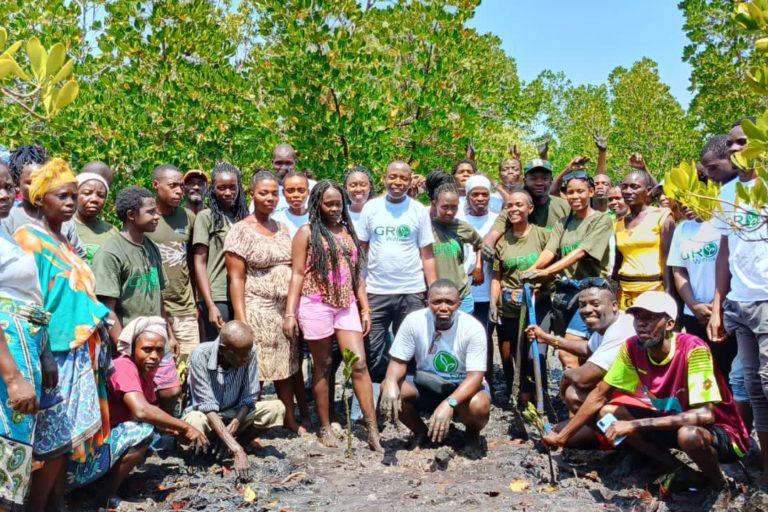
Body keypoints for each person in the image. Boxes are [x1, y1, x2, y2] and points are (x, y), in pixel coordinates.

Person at [544, 292, 748, 498]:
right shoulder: (632, 347)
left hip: (721, 433)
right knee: (608, 412)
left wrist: (634, 425)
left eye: (650, 318)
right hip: (671, 421)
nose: (641, 324)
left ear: (669, 324)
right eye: (638, 318)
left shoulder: (693, 350)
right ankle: (683, 472)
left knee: (688, 435)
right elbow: (598, 395)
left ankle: (719, 485)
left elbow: (705, 415)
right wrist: (562, 437)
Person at [14, 158, 113, 511]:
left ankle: (57, 502)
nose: (71, 202)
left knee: (66, 439)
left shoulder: (63, 238)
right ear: (40, 199)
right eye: (63, 196)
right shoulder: (28, 240)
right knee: (52, 440)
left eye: (74, 196)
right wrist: (43, 354)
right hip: (54, 352)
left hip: (78, 349)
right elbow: (30, 301)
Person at [67, 317, 209, 509]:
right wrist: (185, 426)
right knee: (142, 432)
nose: (154, 356)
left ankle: (103, 485)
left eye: (159, 350)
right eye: (147, 349)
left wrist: (169, 429)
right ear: (132, 347)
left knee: (148, 431)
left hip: (102, 444)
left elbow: (150, 411)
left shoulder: (145, 372)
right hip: (82, 457)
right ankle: (105, 495)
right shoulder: (124, 366)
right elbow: (141, 410)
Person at [283, 181, 382, 449]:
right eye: (329, 203)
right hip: (315, 304)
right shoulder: (306, 232)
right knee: (324, 366)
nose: (336, 208)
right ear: (317, 204)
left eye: (339, 203)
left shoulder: (348, 231)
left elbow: (356, 274)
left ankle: (371, 426)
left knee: (358, 363)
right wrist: (290, 312)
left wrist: (365, 307)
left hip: (346, 303)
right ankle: (325, 427)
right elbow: (297, 273)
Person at [708, 117, 768, 485]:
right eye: (731, 144)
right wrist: (717, 305)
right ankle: (764, 470)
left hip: (766, 299)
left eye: (742, 142)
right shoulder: (727, 194)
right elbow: (723, 253)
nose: (734, 149)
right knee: (755, 389)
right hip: (739, 302)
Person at [225, 170, 306, 434]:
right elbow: (236, 278)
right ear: (252, 194)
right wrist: (242, 318)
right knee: (254, 372)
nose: (270, 198)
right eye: (264, 193)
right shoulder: (240, 230)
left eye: (274, 193)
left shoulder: (282, 228)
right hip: (256, 307)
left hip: (283, 310)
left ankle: (289, 418)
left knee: (287, 366)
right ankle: (249, 425)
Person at [92, 187, 182, 415]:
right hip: (128, 342)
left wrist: (169, 334)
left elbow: (158, 295)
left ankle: (165, 435)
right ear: (132, 215)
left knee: (171, 390)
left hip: (156, 338)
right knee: (134, 400)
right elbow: (106, 308)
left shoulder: (150, 247)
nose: (157, 216)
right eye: (150, 212)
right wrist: (124, 347)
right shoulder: (111, 253)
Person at [380, 280, 490, 455]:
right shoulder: (413, 321)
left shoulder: (473, 328)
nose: (443, 307)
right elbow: (398, 362)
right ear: (427, 303)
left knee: (479, 405)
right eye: (437, 302)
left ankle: (472, 435)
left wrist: (449, 403)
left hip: (461, 388)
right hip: (426, 384)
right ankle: (421, 432)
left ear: (459, 305)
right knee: (388, 387)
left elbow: (475, 377)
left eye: (450, 302)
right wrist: (392, 382)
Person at [357, 160, 437, 385]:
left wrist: (433, 290)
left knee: (410, 350)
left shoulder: (418, 210)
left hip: (411, 291)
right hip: (376, 292)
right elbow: (360, 254)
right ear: (384, 178)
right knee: (371, 350)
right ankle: (372, 404)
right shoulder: (371, 208)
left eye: (403, 178)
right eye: (393, 177)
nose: (398, 182)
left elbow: (427, 254)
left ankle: (406, 403)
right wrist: (359, 290)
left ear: (410, 181)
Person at [0, 162, 52, 511]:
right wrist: (14, 376)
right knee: (6, 445)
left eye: (7, 186)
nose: (5, 195)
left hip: (25, 345)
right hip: (8, 356)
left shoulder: (5, 232)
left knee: (16, 447)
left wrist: (44, 354)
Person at [520, 171, 614, 359]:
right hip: (567, 292)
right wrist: (530, 271)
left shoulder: (601, 220)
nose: (575, 197)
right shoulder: (563, 222)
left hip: (592, 291)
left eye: (580, 191)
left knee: (567, 353)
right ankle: (574, 386)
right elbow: (549, 251)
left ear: (591, 192)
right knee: (574, 351)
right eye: (570, 192)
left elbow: (580, 253)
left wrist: (545, 272)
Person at [183, 320, 285, 478]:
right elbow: (206, 406)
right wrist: (236, 449)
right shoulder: (200, 354)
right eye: (241, 354)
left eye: (248, 353)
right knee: (194, 421)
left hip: (234, 413)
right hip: (206, 416)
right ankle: (211, 450)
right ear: (224, 350)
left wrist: (235, 425)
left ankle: (232, 443)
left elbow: (250, 397)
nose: (246, 358)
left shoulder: (249, 352)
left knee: (276, 409)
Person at [525, 279, 634, 414]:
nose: (587, 310)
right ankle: (596, 430)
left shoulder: (619, 330)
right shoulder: (608, 323)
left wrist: (566, 375)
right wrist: (547, 338)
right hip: (625, 393)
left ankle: (619, 432)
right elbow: (587, 348)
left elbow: (583, 379)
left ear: (614, 305)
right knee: (576, 396)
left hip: (641, 405)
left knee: (575, 395)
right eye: (582, 305)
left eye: (595, 304)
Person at [489, 189, 551, 405]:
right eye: (510, 206)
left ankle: (541, 396)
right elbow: (497, 277)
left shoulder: (543, 235)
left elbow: (552, 271)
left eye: (519, 205)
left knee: (535, 352)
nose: (514, 209)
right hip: (510, 307)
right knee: (516, 354)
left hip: (538, 304)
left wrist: (536, 288)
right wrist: (493, 303)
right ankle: (523, 399)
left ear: (530, 208)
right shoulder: (502, 242)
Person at [669, 204, 737, 377]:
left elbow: (731, 266)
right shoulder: (682, 229)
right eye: (680, 202)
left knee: (727, 369)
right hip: (694, 315)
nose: (685, 207)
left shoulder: (722, 223)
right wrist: (693, 305)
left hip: (726, 309)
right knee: (701, 370)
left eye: (690, 201)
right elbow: (679, 271)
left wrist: (717, 306)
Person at [147, 164, 199, 363]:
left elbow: (194, 262)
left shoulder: (188, 217)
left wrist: (195, 300)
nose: (179, 191)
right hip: (155, 309)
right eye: (172, 186)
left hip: (185, 309)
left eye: (181, 186)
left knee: (191, 368)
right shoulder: (145, 217)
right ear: (156, 185)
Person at [193, 162, 249, 341]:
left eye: (232, 188)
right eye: (221, 188)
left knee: (241, 349)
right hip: (218, 296)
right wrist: (210, 305)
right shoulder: (206, 217)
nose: (227, 193)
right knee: (219, 350)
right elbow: (199, 263)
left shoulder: (245, 218)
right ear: (213, 190)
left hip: (243, 294)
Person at [2, 145, 86, 258]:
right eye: (31, 182)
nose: (38, 187)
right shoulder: (8, 219)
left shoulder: (63, 219)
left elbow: (80, 256)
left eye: (43, 181)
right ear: (17, 184)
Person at [456, 175, 498, 386]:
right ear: (468, 196)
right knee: (460, 337)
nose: (480, 198)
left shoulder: (496, 219)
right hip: (463, 290)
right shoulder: (458, 218)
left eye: (484, 194)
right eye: (475, 194)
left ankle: (486, 383)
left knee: (484, 338)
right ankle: (460, 381)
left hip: (487, 289)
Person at [482, 159, 570, 259]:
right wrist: (488, 245)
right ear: (525, 181)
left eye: (544, 178)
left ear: (551, 181)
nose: (539, 183)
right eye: (533, 179)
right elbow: (494, 232)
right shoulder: (515, 208)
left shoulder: (564, 206)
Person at [613, 169, 675, 310]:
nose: (628, 191)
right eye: (624, 186)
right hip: (626, 292)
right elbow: (618, 262)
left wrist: (669, 292)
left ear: (648, 191)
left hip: (654, 288)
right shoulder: (618, 224)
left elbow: (668, 259)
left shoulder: (662, 216)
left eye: (634, 187)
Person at [426, 171, 483, 314]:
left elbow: (479, 244)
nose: (450, 212)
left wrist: (478, 266)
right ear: (435, 204)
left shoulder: (463, 227)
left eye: (454, 207)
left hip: (461, 295)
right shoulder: (425, 227)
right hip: (436, 297)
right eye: (445, 207)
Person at [73, 171, 117, 265]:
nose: (94, 199)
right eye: (87, 193)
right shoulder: (63, 228)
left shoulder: (112, 231)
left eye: (101, 195)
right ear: (75, 195)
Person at [272, 171, 310, 238]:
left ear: (308, 192)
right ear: (283, 193)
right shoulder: (275, 221)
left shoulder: (316, 219)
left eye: (301, 190)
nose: (296, 195)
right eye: (290, 191)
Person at [344, 166, 375, 232]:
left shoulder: (378, 213)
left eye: (363, 185)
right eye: (353, 185)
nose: (358, 189)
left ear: (370, 187)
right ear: (346, 189)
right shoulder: (340, 215)